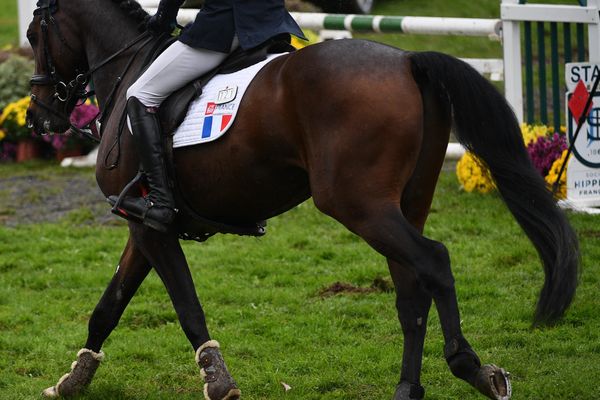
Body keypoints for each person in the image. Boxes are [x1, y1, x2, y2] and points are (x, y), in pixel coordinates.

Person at [113, 0, 306, 233]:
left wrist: (163, 18)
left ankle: (160, 200)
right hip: (268, 25)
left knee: (140, 94)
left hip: (224, 26)